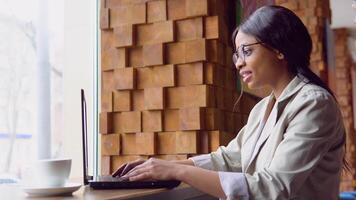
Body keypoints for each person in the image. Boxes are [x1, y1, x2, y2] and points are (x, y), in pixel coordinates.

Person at [112, 5, 346, 200]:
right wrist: (162, 166)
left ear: (279, 50)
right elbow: (229, 158)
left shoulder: (314, 104)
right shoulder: (262, 109)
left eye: (247, 51)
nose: (238, 63)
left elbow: (273, 188)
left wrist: (177, 170)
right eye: (237, 54)